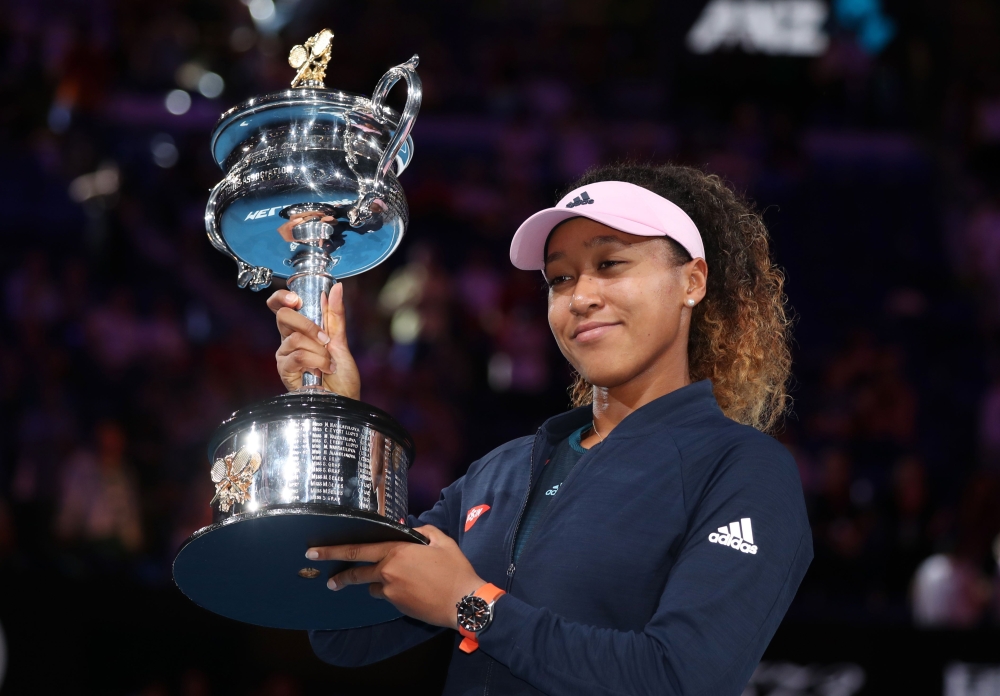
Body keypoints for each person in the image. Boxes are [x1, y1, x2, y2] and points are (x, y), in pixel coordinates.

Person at [267, 163, 813, 695]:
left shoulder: (743, 470)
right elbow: (342, 631)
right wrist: (335, 416)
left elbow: (682, 678)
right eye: (560, 278)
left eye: (611, 264)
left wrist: (471, 605)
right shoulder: (501, 471)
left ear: (691, 282)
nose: (581, 297)